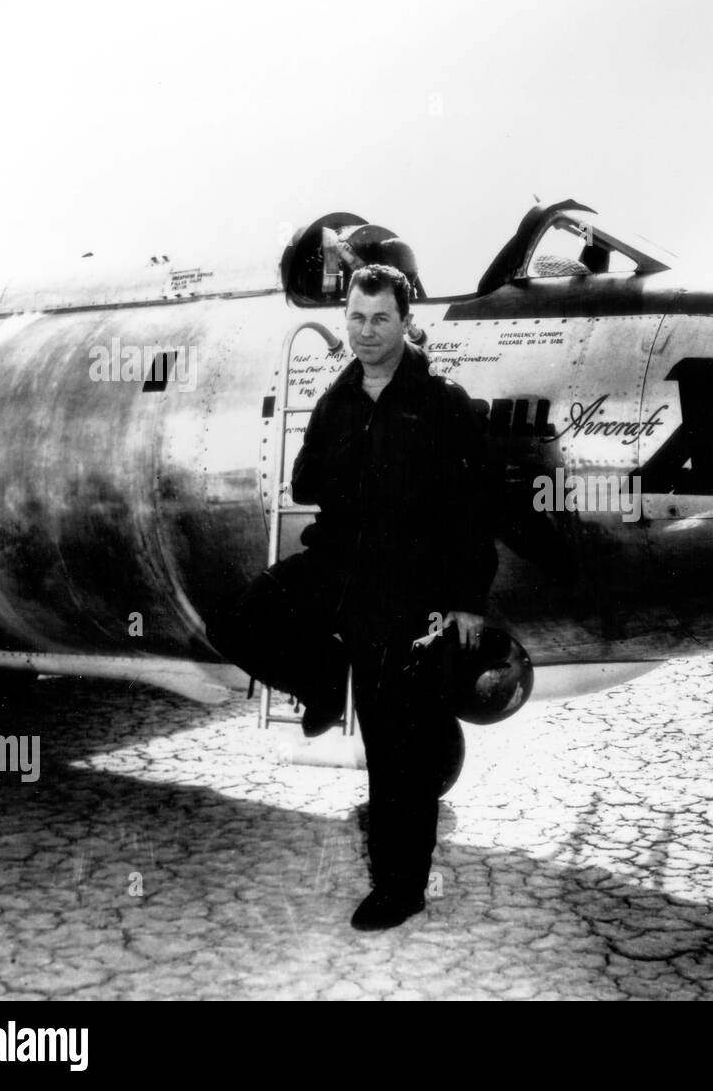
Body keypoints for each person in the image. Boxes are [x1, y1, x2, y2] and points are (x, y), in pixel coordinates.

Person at [209, 264, 495, 931]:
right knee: (242, 620)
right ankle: (323, 680)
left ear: (406, 320)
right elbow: (306, 481)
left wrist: (467, 600)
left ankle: (400, 888)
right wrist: (351, 441)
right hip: (339, 566)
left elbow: (471, 512)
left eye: (380, 319)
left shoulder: (443, 403)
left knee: (399, 745)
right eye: (356, 320)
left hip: (410, 586)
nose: (367, 333)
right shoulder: (339, 398)